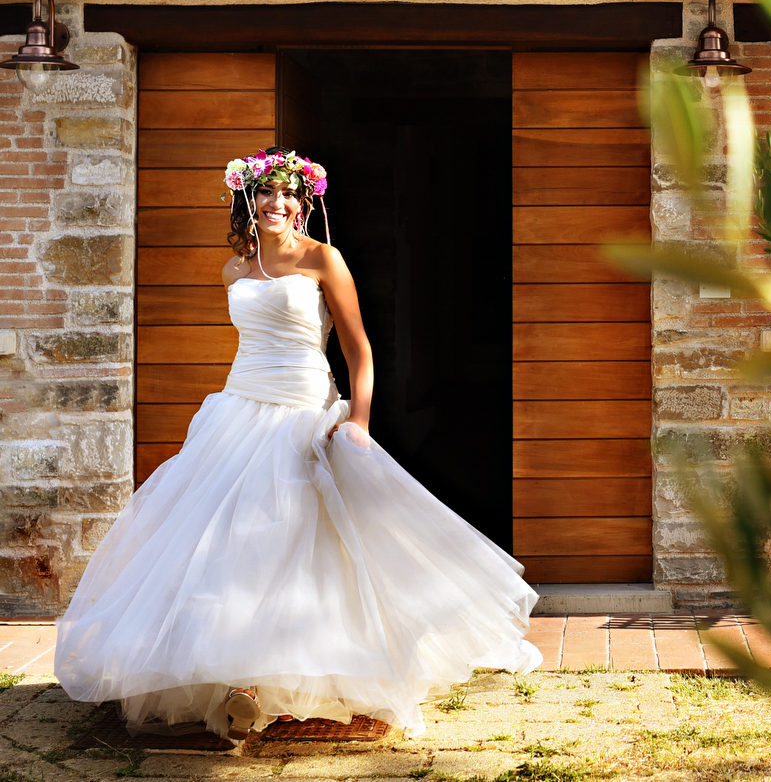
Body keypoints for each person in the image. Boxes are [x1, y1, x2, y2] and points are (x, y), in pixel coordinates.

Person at [54, 147, 541, 741]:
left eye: (287, 195)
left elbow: (359, 349)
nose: (275, 204)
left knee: (288, 537)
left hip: (303, 410)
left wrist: (358, 419)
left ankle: (288, 672)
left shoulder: (323, 260)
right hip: (238, 408)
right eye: (264, 194)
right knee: (220, 541)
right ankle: (238, 681)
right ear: (248, 201)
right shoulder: (233, 270)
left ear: (304, 203)